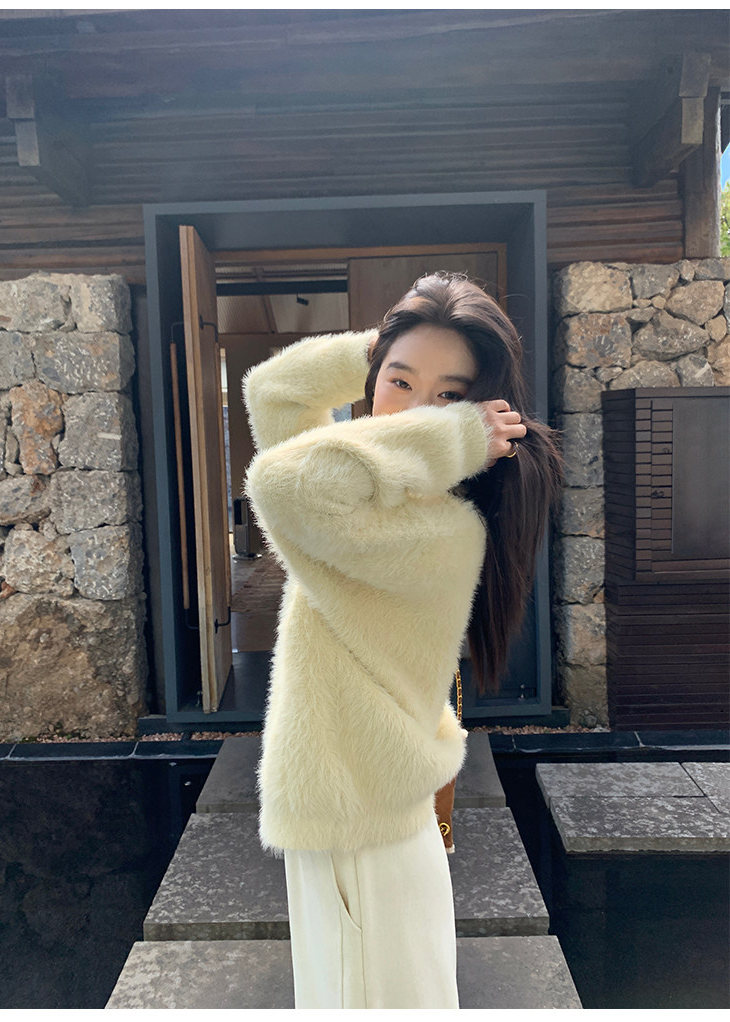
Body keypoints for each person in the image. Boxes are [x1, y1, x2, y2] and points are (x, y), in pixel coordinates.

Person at [242, 272, 562, 1009]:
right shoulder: (369, 491)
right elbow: (274, 391)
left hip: (363, 824)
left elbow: (283, 483)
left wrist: (448, 430)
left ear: (477, 418)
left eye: (450, 396)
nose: (417, 410)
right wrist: (382, 345)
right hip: (354, 815)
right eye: (400, 382)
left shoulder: (441, 530)